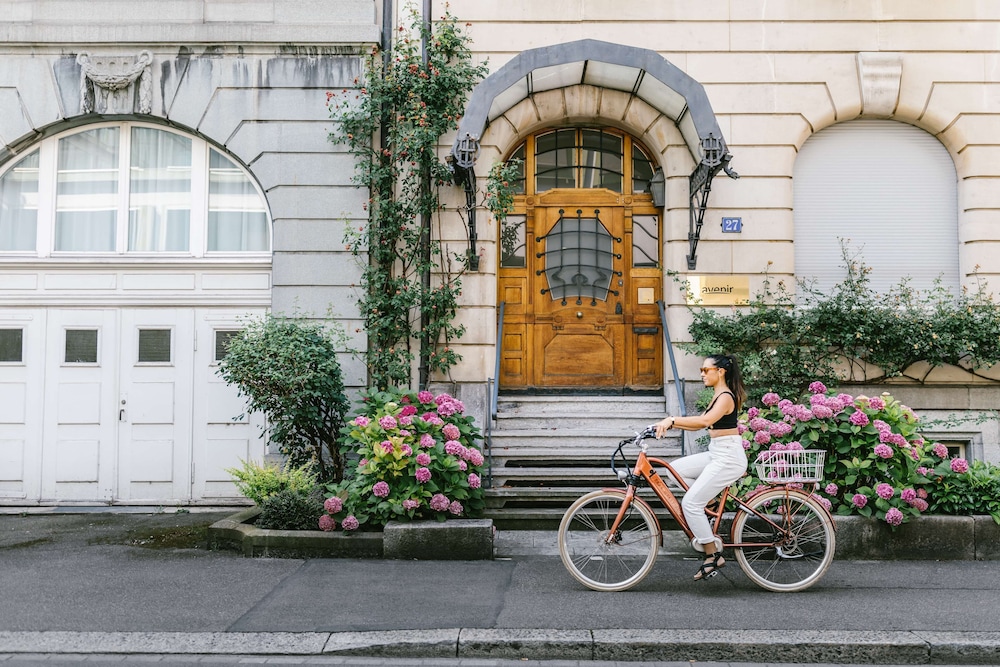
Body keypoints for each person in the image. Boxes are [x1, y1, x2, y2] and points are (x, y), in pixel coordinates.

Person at [654, 353, 748, 581]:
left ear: (721, 372)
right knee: (674, 470)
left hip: (728, 457)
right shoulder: (718, 395)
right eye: (702, 370)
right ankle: (708, 500)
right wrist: (666, 424)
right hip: (718, 452)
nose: (702, 374)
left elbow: (704, 422)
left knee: (690, 503)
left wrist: (672, 420)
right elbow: (699, 423)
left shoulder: (725, 396)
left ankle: (712, 554)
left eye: (706, 370)